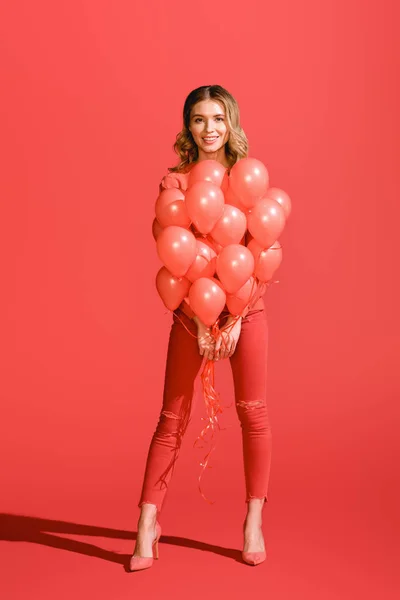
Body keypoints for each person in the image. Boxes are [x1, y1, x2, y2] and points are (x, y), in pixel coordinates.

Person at [129, 85, 272, 571]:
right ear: (187, 126)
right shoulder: (174, 184)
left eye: (217, 118)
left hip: (247, 310)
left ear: (231, 122)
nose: (208, 129)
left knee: (253, 412)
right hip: (190, 313)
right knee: (171, 419)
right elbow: (175, 259)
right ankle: (147, 523)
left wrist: (233, 317)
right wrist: (201, 320)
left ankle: (254, 519)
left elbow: (259, 255)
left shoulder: (248, 178)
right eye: (198, 120)